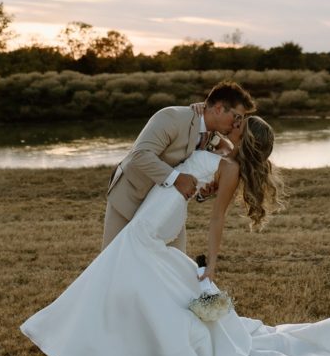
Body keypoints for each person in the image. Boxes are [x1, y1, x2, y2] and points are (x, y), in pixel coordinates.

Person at [20, 115, 330, 356]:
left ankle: (117, 350)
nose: (233, 124)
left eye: (240, 125)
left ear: (245, 137)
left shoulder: (230, 167)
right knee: (140, 266)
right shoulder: (219, 151)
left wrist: (212, 267)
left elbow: (217, 220)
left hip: (163, 212)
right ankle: (116, 345)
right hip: (163, 203)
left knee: (134, 257)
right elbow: (196, 175)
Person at [102, 80, 255, 251]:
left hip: (167, 207)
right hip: (131, 196)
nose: (237, 124)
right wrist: (177, 178)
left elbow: (214, 155)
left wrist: (203, 190)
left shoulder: (212, 135)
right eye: (237, 117)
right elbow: (140, 155)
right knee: (114, 259)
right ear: (218, 108)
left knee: (173, 263)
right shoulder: (171, 117)